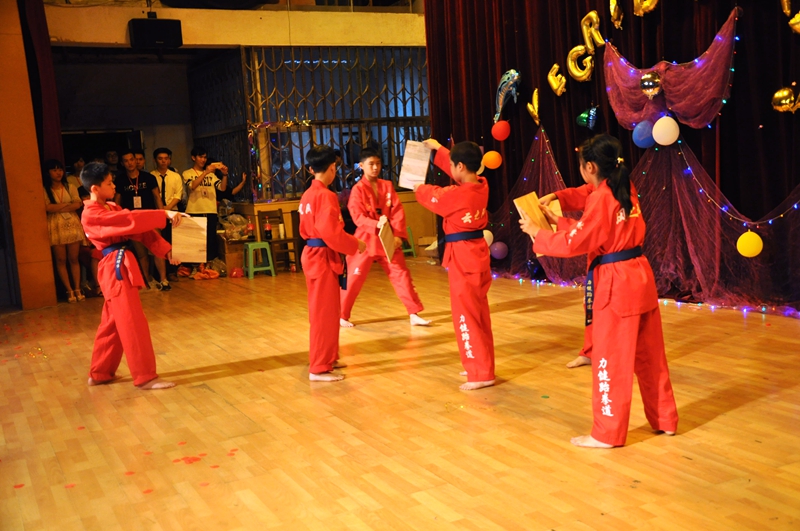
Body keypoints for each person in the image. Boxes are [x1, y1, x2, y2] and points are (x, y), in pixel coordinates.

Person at [519, 134, 678, 448]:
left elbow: (578, 241)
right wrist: (559, 218)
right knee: (650, 355)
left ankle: (607, 433)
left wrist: (539, 232)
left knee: (610, 358)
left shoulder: (603, 197)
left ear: (590, 167)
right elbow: (599, 230)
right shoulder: (624, 187)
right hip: (638, 275)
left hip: (616, 283)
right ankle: (665, 419)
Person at [80, 162, 184, 390]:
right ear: (95, 188)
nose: (114, 186)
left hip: (119, 264)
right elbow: (130, 220)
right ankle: (145, 376)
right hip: (113, 267)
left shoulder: (111, 207)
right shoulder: (91, 214)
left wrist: (166, 251)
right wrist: (163, 213)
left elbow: (140, 230)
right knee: (131, 321)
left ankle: (100, 373)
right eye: (109, 183)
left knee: (113, 323)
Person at [416, 139, 495, 391]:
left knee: (466, 315)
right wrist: (439, 150)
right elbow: (461, 170)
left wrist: (418, 186)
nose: (450, 169)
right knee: (478, 313)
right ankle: (480, 364)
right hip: (477, 254)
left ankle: (480, 372)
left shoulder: (458, 195)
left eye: (451, 165)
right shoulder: (481, 185)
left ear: (460, 166)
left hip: (464, 257)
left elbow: (434, 196)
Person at [339, 148, 429, 328]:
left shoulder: (387, 186)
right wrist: (375, 224)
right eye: (371, 164)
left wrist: (398, 236)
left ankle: (413, 313)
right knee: (354, 277)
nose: (375, 168)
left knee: (401, 274)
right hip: (365, 239)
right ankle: (342, 315)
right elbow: (357, 216)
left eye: (378, 164)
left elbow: (397, 211)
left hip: (388, 238)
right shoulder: (357, 190)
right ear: (361, 166)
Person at [299, 145, 366, 382]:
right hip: (322, 256)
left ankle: (328, 357)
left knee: (326, 311)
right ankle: (319, 366)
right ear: (332, 168)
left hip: (314, 254)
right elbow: (330, 232)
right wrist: (355, 244)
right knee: (323, 314)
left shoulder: (308, 194)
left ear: (311, 169)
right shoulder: (325, 195)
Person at [539, 187, 594, 368]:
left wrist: (538, 233)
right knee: (591, 307)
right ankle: (591, 351)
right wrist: (555, 197)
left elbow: (583, 236)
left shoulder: (606, 196)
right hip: (601, 265)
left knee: (602, 311)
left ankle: (606, 355)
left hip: (613, 267)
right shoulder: (602, 189)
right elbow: (583, 192)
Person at [115, 149, 168, 291]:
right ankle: (146, 280)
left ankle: (163, 279)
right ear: (122, 163)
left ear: (136, 160)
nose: (130, 163)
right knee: (141, 253)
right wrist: (119, 221)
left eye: (132, 159)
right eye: (126, 161)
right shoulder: (120, 180)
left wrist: (161, 215)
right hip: (132, 220)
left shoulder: (148, 177)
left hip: (149, 218)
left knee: (157, 249)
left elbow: (157, 197)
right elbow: (117, 201)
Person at [43, 159, 86, 303]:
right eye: (54, 170)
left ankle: (77, 288)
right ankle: (69, 290)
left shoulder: (70, 186)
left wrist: (59, 206)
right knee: (61, 260)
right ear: (48, 173)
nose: (58, 173)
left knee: (74, 258)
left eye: (60, 169)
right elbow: (47, 207)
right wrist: (67, 205)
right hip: (56, 225)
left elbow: (77, 204)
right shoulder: (45, 189)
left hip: (72, 224)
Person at [182, 147, 227, 268]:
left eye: (205, 157)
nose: (203, 160)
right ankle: (196, 266)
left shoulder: (212, 175)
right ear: (193, 158)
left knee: (210, 240)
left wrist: (225, 175)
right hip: (194, 210)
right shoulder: (187, 173)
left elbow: (222, 188)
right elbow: (192, 186)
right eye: (200, 157)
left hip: (210, 210)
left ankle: (209, 265)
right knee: (196, 241)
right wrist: (205, 172)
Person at [151, 147, 184, 284]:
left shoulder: (175, 176)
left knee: (172, 242)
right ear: (155, 160)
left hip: (172, 213)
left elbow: (178, 195)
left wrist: (167, 209)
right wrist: (161, 210)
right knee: (158, 242)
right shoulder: (151, 176)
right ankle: (158, 273)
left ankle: (172, 271)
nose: (163, 161)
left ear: (169, 160)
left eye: (166, 158)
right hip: (156, 213)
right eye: (160, 158)